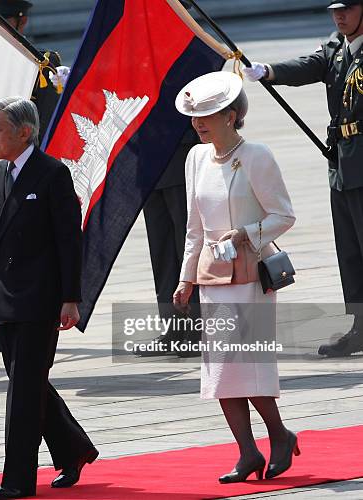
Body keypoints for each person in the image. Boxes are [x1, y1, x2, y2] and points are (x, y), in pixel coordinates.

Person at [173, 72, 299, 483]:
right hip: (212, 275)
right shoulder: (195, 158)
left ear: (232, 115)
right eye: (196, 116)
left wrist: (247, 233)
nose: (199, 122)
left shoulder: (257, 155)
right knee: (222, 369)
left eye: (208, 114)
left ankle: (278, 434)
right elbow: (193, 226)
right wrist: (186, 278)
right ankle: (247, 452)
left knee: (249, 363)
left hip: (250, 273)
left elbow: (283, 214)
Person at [0, 97, 98, 499]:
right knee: (27, 382)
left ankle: (18, 480)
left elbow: (69, 241)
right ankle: (73, 448)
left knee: (24, 391)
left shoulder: (52, 174)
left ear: (24, 132)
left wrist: (70, 297)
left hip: (41, 299)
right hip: (5, 298)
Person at [243, 0, 363, 357]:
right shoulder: (336, 49)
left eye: (349, 9)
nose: (340, 16)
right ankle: (360, 326)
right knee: (351, 251)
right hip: (343, 163)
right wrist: (268, 71)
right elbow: (307, 66)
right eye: (335, 10)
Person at [0, 0, 64, 354]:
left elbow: (45, 120)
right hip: (1, 167)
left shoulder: (40, 66)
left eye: (5, 20)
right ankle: (3, 313)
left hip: (32, 170)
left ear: (21, 20)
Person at [140, 128, 202, 357]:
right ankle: (174, 328)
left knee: (187, 245)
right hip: (147, 157)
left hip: (180, 153)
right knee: (161, 252)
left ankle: (198, 329)